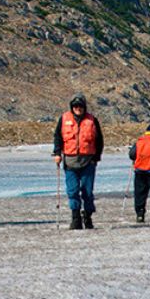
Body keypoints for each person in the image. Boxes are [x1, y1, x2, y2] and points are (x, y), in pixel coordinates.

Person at [53, 94, 104, 229]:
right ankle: (75, 218)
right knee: (73, 191)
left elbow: (99, 140)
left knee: (87, 191)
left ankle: (87, 216)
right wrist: (57, 153)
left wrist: (96, 157)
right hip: (70, 161)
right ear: (72, 107)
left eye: (80, 106)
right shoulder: (64, 119)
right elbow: (58, 137)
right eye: (75, 106)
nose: (78, 109)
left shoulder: (92, 120)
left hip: (88, 162)